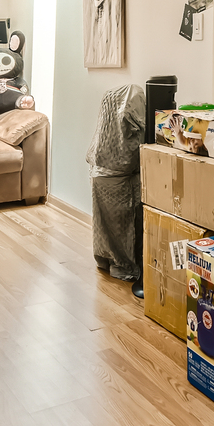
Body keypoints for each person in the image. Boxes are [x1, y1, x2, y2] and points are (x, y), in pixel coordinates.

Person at [88, 84, 145, 297]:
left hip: (102, 172)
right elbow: (131, 157)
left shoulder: (106, 135)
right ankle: (126, 265)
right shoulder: (128, 135)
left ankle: (106, 259)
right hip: (118, 177)